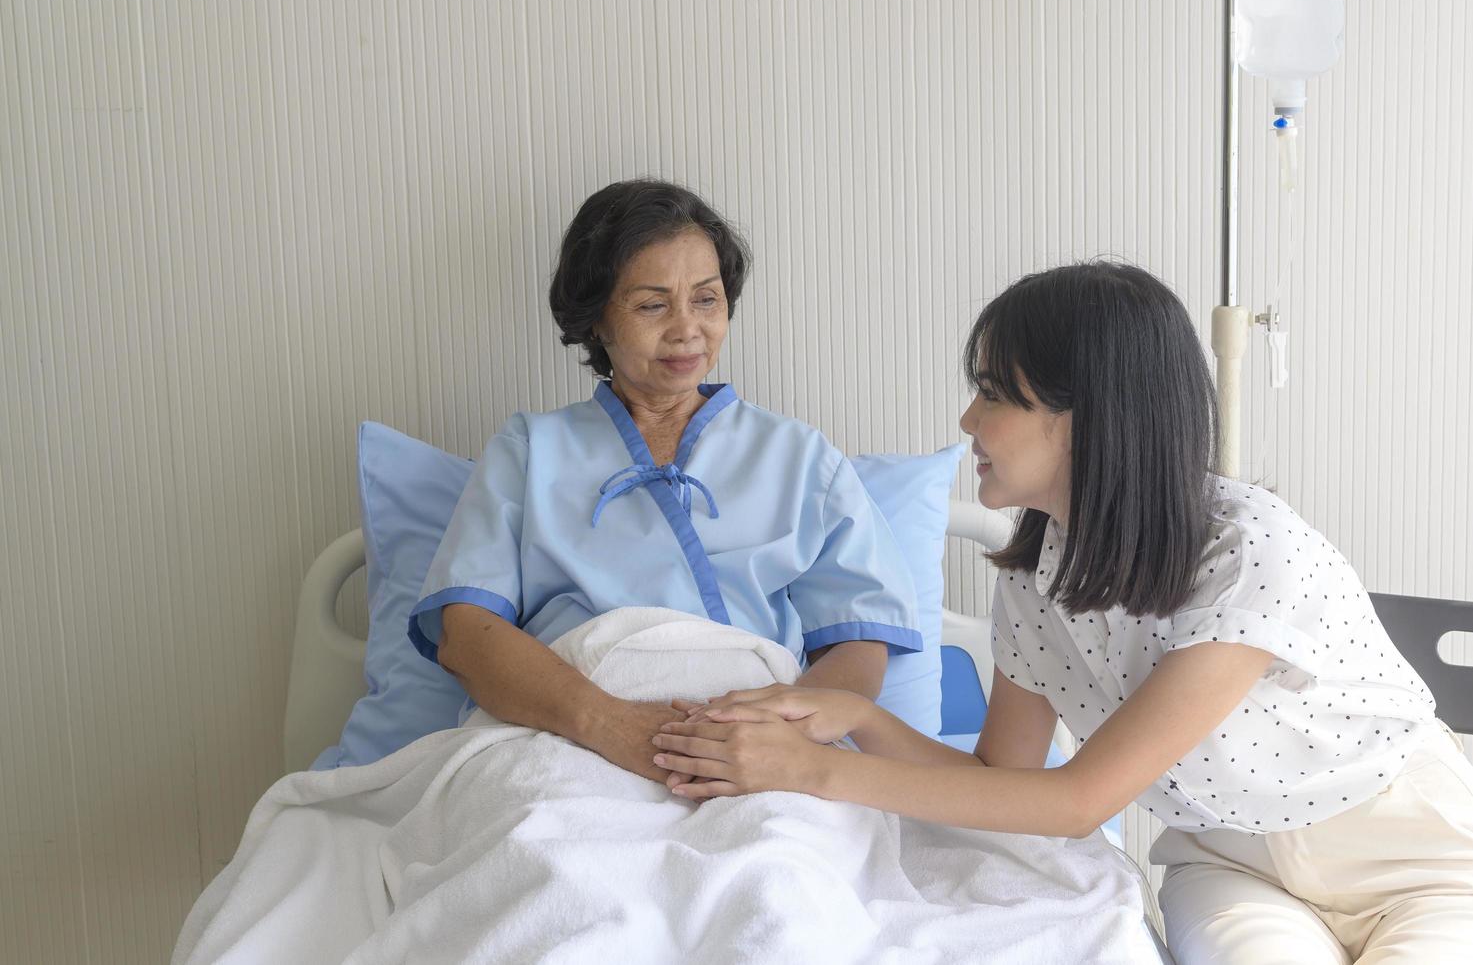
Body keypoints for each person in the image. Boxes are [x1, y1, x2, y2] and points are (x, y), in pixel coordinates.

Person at [651, 261, 1473, 963]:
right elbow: (1003, 782)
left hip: (1407, 852)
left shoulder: (1249, 555)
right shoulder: (1039, 572)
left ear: (1091, 416)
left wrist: (811, 770)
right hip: (1230, 866)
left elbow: (1079, 800)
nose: (967, 421)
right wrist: (857, 714)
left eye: (991, 394)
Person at [410, 179, 923, 787]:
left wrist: (774, 741)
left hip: (756, 735)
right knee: (543, 850)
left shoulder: (800, 456)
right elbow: (467, 637)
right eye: (653, 305)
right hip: (567, 729)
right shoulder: (530, 451)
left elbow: (858, 640)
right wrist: (611, 725)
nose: (687, 329)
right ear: (597, 320)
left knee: (779, 867)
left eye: (706, 300)